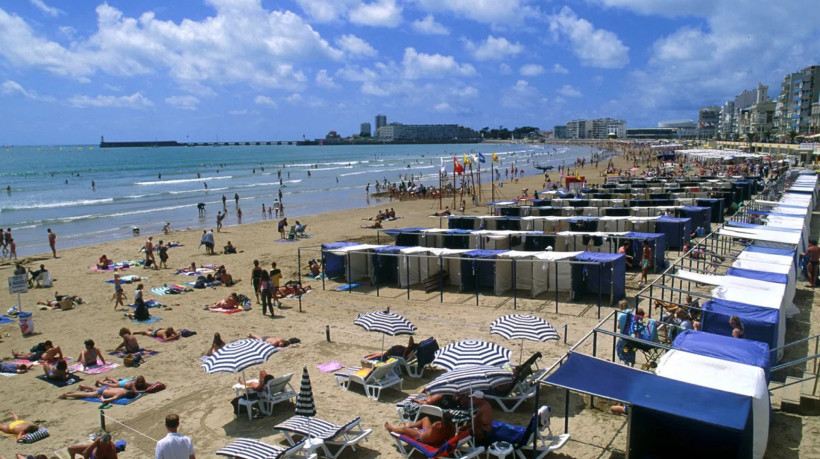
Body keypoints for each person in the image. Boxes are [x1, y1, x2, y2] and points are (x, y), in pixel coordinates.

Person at [384, 411, 456, 447]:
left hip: (422, 436)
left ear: (442, 418)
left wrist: (419, 430)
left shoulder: (437, 425)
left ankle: (392, 429)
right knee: (426, 418)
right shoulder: (453, 428)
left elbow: (430, 429)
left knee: (404, 430)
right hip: (432, 437)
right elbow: (450, 440)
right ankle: (410, 425)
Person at [59, 385, 137, 403]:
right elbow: (108, 400)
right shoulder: (120, 395)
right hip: (102, 392)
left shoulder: (123, 389)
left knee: (94, 389)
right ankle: (67, 395)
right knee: (85, 395)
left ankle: (83, 386)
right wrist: (102, 398)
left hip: (106, 387)